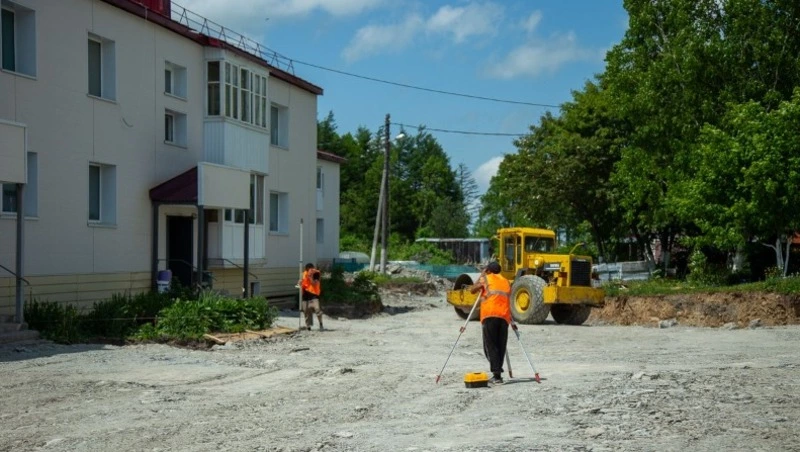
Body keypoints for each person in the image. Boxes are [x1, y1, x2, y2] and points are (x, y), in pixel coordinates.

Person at [469, 261, 511, 385]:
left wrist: (482, 274)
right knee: (500, 345)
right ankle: (498, 371)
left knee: (491, 345)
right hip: (504, 316)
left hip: (490, 315)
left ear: (489, 270)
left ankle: (497, 375)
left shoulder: (485, 279)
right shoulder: (506, 281)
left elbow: (472, 290)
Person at [299, 263, 324, 331]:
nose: (311, 270)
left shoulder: (316, 274)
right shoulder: (303, 274)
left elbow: (314, 283)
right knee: (306, 310)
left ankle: (321, 323)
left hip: (314, 294)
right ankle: (308, 326)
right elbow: (302, 284)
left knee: (317, 309)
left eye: (312, 269)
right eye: (310, 270)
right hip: (305, 295)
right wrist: (300, 283)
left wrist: (310, 277)